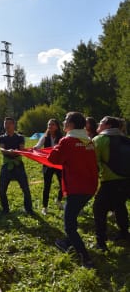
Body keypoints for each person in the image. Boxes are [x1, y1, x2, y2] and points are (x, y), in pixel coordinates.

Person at [48, 112, 98, 268]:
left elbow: (52, 159)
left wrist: (57, 147)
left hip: (76, 189)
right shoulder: (89, 141)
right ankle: (65, 242)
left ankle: (86, 258)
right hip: (90, 188)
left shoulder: (67, 141)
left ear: (71, 124)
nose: (63, 122)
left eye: (65, 120)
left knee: (69, 225)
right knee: (73, 215)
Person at [92, 116, 130, 251]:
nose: (98, 124)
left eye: (101, 122)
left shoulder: (99, 140)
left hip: (110, 182)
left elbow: (93, 163)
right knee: (120, 205)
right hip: (127, 181)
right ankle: (124, 233)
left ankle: (101, 242)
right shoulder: (126, 139)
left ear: (108, 125)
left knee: (98, 209)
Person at [0, 117, 34, 215]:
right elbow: (1, 149)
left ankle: (29, 209)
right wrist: (9, 152)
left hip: (18, 165)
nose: (7, 126)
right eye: (5, 123)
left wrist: (15, 152)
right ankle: (5, 209)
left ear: (14, 125)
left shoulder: (20, 137)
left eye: (9, 123)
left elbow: (21, 150)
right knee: (1, 189)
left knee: (26, 189)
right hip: (7, 165)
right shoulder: (1, 137)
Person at [33, 119, 63, 215]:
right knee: (47, 186)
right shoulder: (45, 137)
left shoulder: (62, 138)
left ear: (57, 126)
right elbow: (38, 146)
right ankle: (45, 207)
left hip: (59, 164)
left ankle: (58, 200)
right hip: (48, 164)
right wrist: (34, 149)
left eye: (52, 124)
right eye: (49, 124)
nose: (50, 126)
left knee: (63, 184)